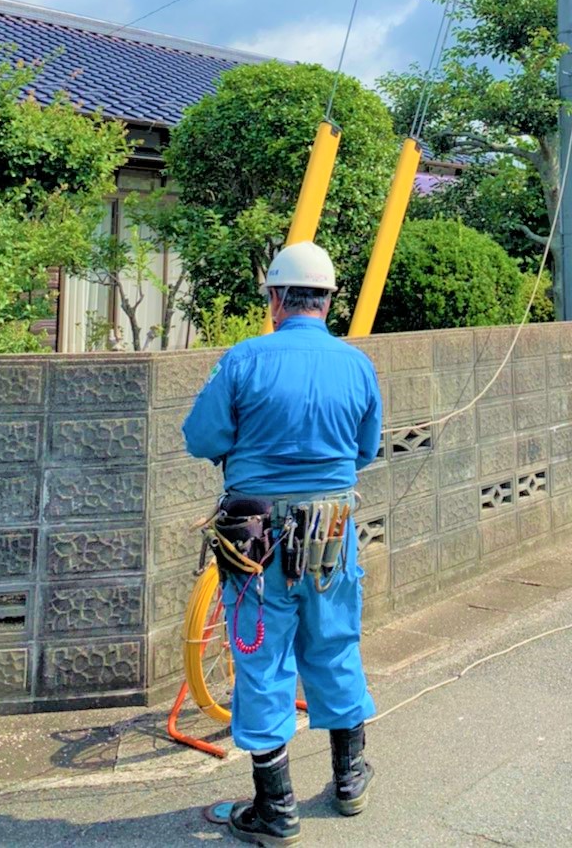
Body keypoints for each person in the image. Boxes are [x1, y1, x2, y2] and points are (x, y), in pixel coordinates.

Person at [183, 240, 382, 844]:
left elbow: (201, 437)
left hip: (256, 542)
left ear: (275, 299)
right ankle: (350, 780)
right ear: (328, 302)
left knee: (262, 660)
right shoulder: (357, 365)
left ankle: (276, 808)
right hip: (332, 535)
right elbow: (364, 451)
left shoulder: (244, 360)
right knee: (336, 644)